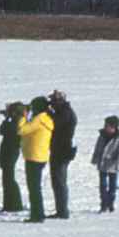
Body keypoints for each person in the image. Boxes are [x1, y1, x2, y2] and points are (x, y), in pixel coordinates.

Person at [16, 96, 54, 222]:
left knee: (34, 188)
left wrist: (22, 117)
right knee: (36, 187)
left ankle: (37, 215)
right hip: (40, 156)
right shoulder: (46, 119)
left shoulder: (38, 119)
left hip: (33, 156)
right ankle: (39, 213)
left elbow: (21, 130)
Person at [47, 90, 77, 218]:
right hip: (62, 149)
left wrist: (48, 114)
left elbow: (53, 124)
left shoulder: (64, 113)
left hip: (61, 150)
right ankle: (61, 210)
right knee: (59, 181)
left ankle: (62, 211)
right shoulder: (65, 111)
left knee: (59, 181)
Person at [0, 102, 25, 212]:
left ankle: (13, 205)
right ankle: (10, 204)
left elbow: (3, 131)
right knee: (8, 178)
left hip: (11, 151)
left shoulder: (17, 122)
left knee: (8, 179)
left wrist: (7, 120)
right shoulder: (15, 121)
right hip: (9, 151)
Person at [90, 115, 119, 213]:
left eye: (107, 125)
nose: (105, 126)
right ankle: (103, 205)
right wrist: (95, 160)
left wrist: (118, 165)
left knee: (112, 186)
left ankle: (110, 204)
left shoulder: (118, 138)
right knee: (103, 186)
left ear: (113, 127)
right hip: (103, 165)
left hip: (112, 166)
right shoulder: (102, 136)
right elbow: (97, 148)